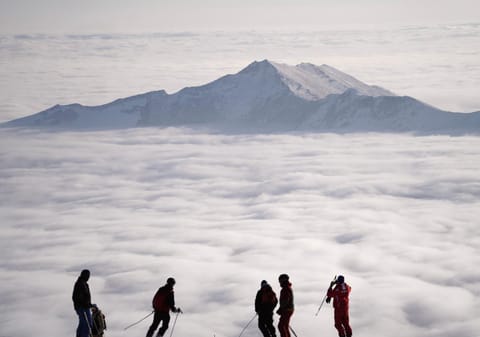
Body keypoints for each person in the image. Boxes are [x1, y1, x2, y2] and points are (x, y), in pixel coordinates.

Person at [72, 269, 93, 337]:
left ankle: (79, 335)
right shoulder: (80, 284)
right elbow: (78, 297)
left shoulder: (83, 283)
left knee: (83, 323)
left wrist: (89, 304)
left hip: (83, 307)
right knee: (87, 324)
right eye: (88, 275)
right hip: (82, 307)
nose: (88, 277)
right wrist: (86, 304)